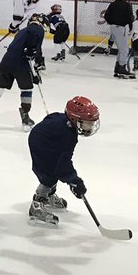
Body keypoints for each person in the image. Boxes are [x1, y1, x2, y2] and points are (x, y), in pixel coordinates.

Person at [27, 96, 99, 227]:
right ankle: (37, 204)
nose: (90, 126)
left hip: (43, 138)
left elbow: (50, 118)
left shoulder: (65, 124)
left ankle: (48, 195)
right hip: (41, 144)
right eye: (87, 123)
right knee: (49, 174)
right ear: (74, 119)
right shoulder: (66, 136)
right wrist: (74, 181)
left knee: (54, 170)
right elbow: (62, 164)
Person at [0, 12, 46, 129]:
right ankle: (25, 117)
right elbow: (33, 47)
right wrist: (36, 65)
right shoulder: (38, 29)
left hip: (6, 62)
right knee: (27, 89)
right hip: (21, 65)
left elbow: (27, 48)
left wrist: (34, 64)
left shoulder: (22, 31)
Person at [3, 0, 46, 68]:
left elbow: (18, 16)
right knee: (37, 36)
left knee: (29, 35)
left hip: (34, 14)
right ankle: (38, 60)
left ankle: (30, 56)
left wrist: (13, 26)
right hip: (43, 10)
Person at [103, 0, 135, 80]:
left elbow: (106, 16)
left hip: (113, 27)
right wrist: (130, 27)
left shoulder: (112, 4)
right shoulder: (127, 5)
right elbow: (130, 18)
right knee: (124, 49)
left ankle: (118, 67)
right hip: (121, 28)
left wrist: (112, 22)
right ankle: (121, 67)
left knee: (121, 48)